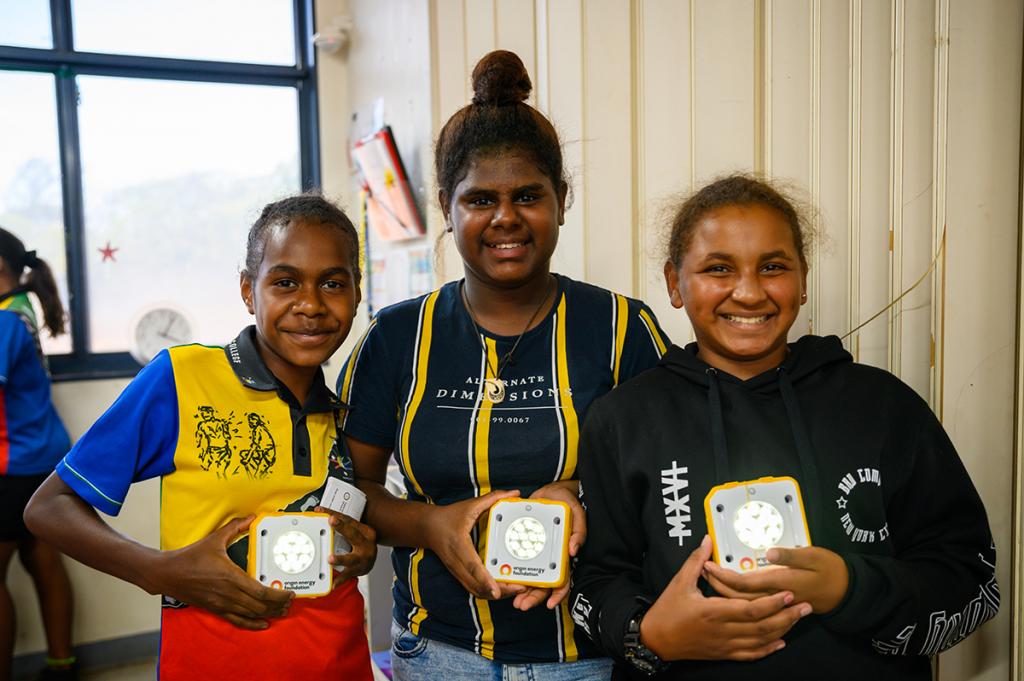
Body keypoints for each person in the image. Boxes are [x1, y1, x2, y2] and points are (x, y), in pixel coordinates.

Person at [570, 174, 999, 680]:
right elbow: (594, 582)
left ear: (802, 278)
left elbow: (972, 582)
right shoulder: (624, 419)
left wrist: (848, 588)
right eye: (718, 268)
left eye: (773, 267)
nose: (749, 292)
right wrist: (649, 632)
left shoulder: (881, 405)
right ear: (674, 283)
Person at [338, 50, 669, 679]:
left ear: (562, 200)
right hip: (438, 653)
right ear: (446, 206)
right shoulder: (397, 338)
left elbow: (669, 481)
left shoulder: (623, 329)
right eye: (480, 199)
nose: (506, 218)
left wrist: (580, 497)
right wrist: (432, 525)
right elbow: (352, 490)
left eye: (528, 196)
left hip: (589, 655)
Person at [24, 195, 378, 680]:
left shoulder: (347, 408)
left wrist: (359, 548)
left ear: (357, 293)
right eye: (285, 282)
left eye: (333, 283)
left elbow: (358, 519)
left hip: (337, 663)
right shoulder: (183, 377)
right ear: (249, 291)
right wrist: (157, 570)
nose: (311, 304)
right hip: (209, 663)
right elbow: (48, 507)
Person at [0, 229, 75, 681]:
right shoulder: (18, 311)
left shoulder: (6, 319)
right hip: (42, 457)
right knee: (42, 560)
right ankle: (62, 667)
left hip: (13, 464)